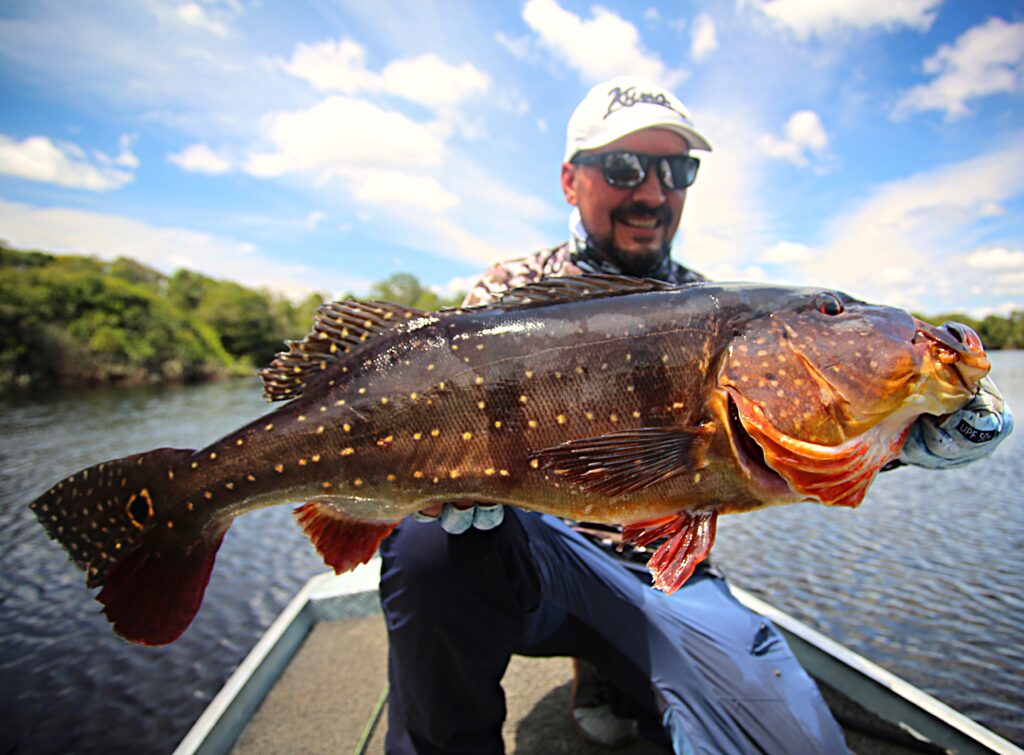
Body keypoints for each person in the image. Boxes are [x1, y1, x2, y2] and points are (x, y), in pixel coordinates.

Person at [377, 76, 1013, 755]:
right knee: (429, 547)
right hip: (534, 562)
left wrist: (898, 434)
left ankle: (619, 673)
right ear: (570, 180)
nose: (651, 192)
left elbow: (782, 437)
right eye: (623, 167)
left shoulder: (717, 307)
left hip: (664, 573)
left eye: (677, 170)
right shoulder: (507, 296)